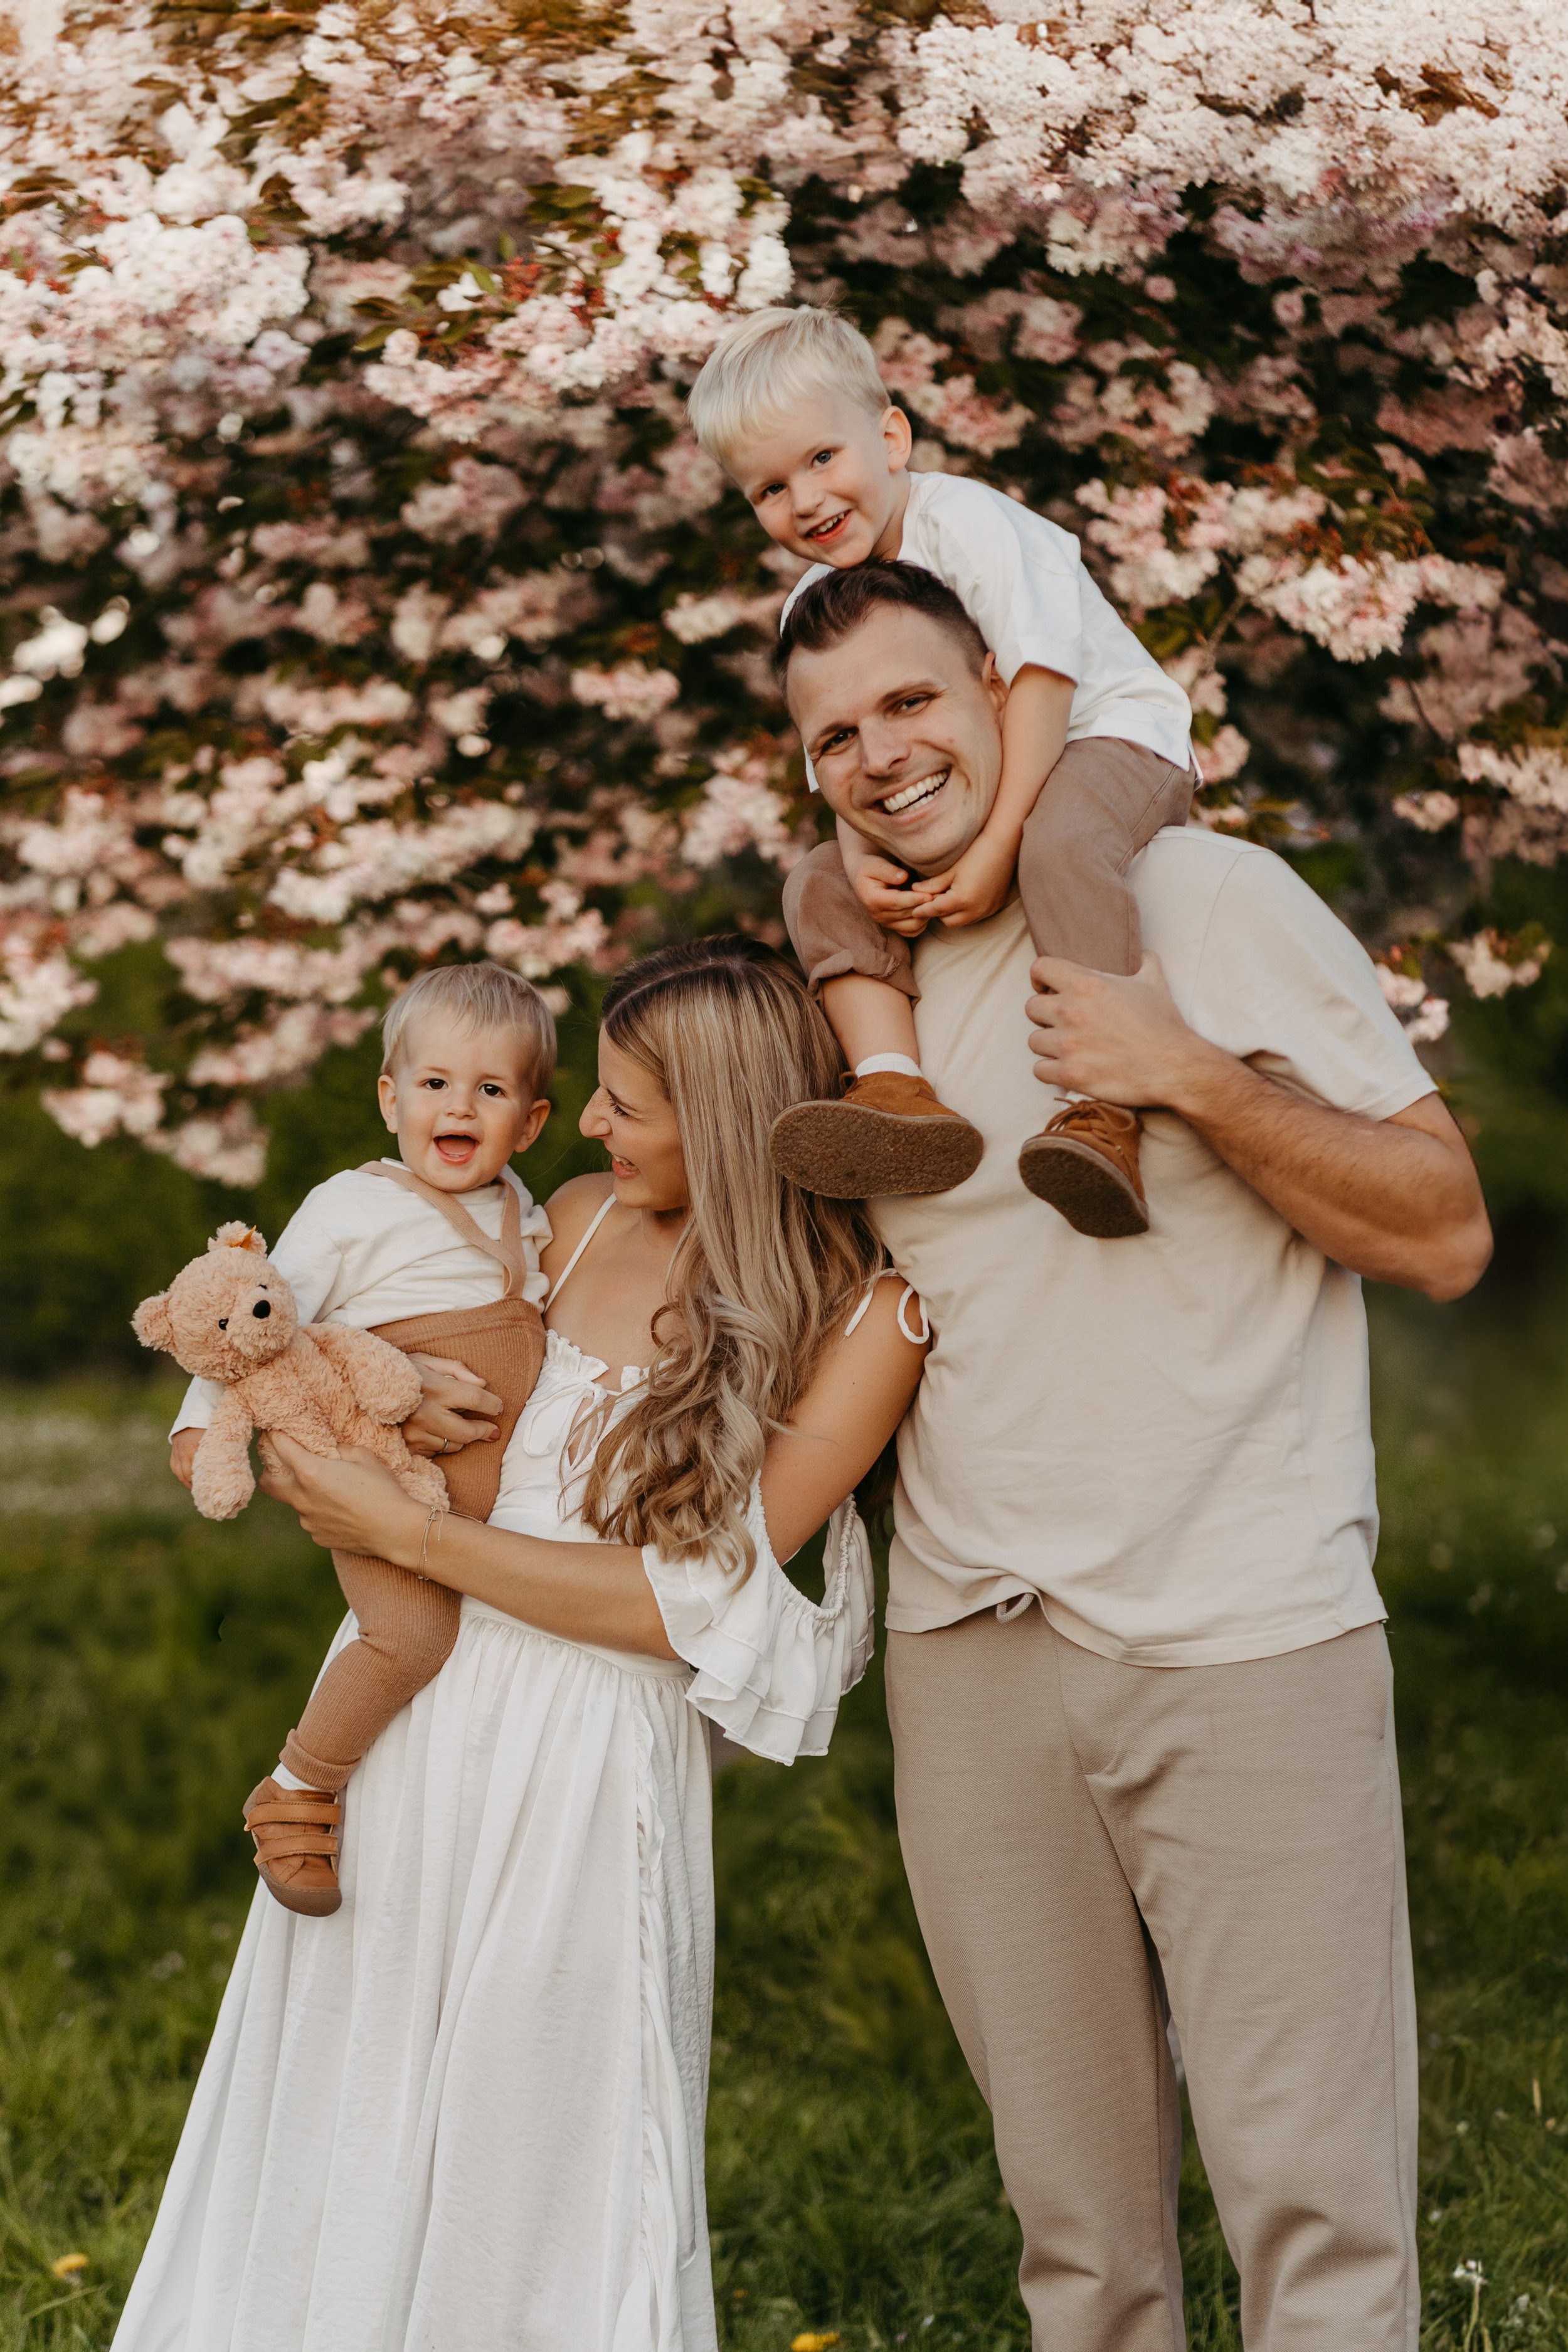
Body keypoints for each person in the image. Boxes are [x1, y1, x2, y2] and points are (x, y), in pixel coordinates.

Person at [776, 559, 1493, 2352]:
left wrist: (1189, 1074)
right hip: (970, 1650)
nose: (879, 756)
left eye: (910, 702)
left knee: (1315, 2215)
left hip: (1241, 1629)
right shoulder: (862, 991)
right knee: (1076, 2245)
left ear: (1003, 688)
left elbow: (1441, 1229)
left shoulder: (1199, 895)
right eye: (831, 736)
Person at [113, 936, 928, 2352]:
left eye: (625, 1104)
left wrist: (417, 1538)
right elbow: (353, 1356)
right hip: (414, 1695)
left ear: (724, 1120)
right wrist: (372, 1409)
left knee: (540, 2119)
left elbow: (685, 1603)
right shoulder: (573, 1217)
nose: (587, 1123)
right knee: (351, 2083)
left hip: (592, 1741)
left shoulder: (864, 1315)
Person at [687, 302, 1195, 1236]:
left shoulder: (967, 524)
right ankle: (894, 1090)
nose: (805, 500)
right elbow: (836, 759)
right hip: (966, 782)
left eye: (822, 458)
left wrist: (999, 848)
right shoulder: (812, 605)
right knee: (815, 883)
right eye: (769, 489)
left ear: (891, 438)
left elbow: (1041, 687)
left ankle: (1104, 1107)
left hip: (1107, 736)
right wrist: (862, 856)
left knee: (1061, 844)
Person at [166, 960, 556, 1915]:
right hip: (381, 1468)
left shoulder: (527, 1211)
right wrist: (197, 1424)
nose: (458, 1106)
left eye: (491, 1090)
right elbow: (258, 1317)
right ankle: (297, 1788)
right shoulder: (352, 1205)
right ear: (391, 1099)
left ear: (530, 1121)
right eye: (435, 1083)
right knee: (410, 1636)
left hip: (487, 1492)